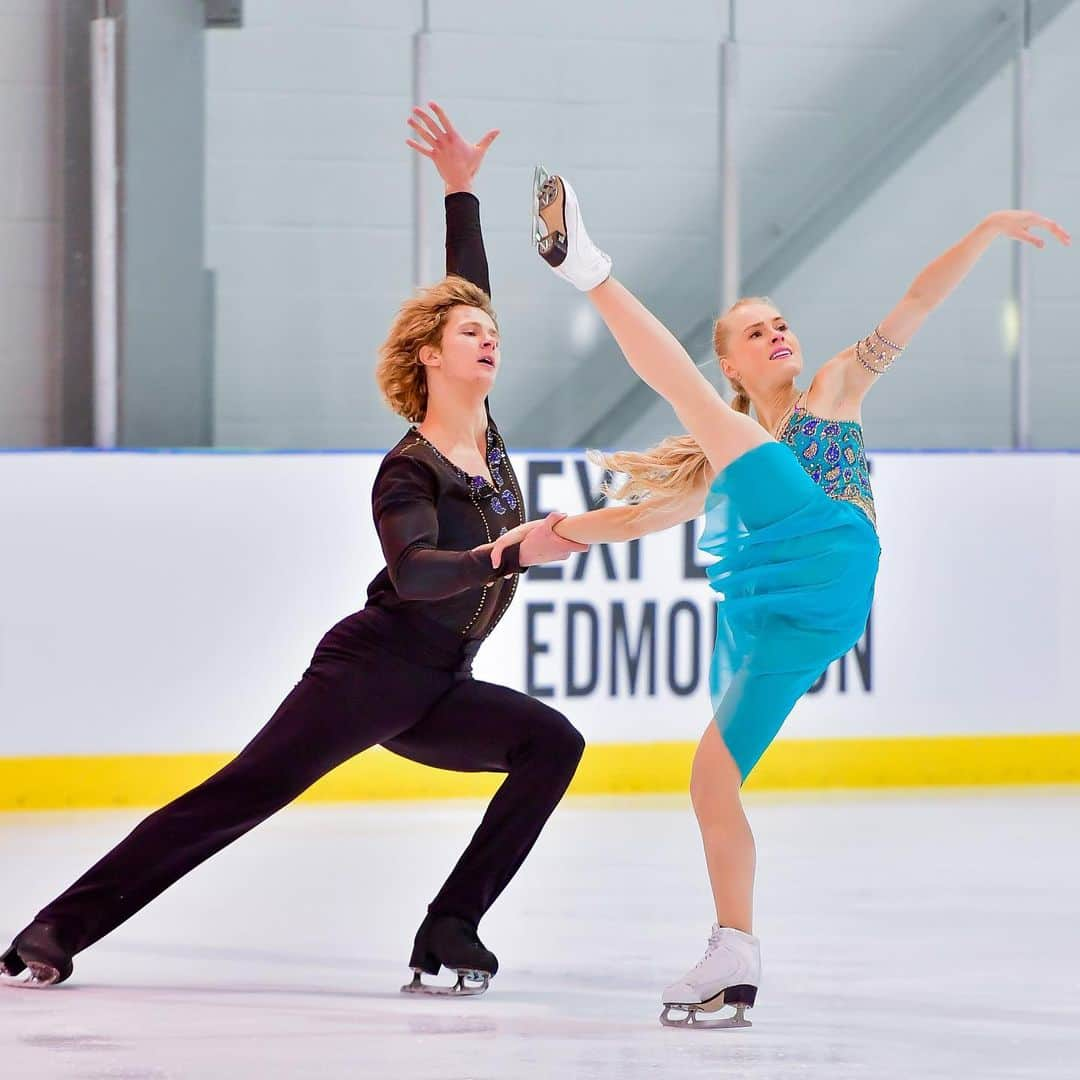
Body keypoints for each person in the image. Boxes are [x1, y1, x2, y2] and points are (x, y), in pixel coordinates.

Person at [0, 107, 586, 997]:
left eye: (489, 330)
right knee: (243, 794)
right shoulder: (409, 470)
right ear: (430, 356)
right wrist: (506, 555)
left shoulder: (489, 439)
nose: (488, 335)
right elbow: (413, 573)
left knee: (552, 744)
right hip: (372, 670)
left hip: (442, 681)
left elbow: (469, 285)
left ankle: (450, 926)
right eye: (469, 334)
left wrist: (461, 191)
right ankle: (54, 930)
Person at [508, 167, 1070, 1026]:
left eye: (781, 324)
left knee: (692, 406)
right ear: (731, 359)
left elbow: (916, 304)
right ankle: (734, 951)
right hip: (793, 622)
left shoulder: (835, 387)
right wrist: (548, 540)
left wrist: (986, 229)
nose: (776, 336)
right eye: (754, 333)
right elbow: (644, 517)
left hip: (832, 552)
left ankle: (589, 269)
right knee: (710, 778)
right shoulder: (733, 452)